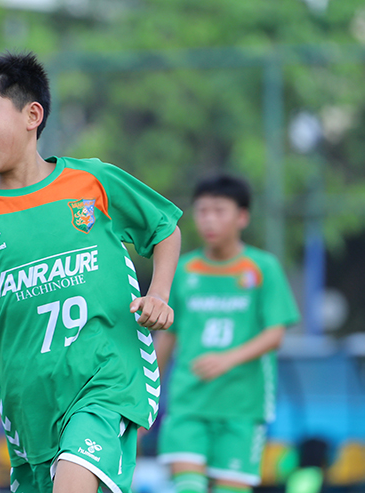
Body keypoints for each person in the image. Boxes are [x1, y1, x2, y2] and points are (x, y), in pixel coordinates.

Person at [0, 52, 182, 493]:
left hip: (106, 380)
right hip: (28, 401)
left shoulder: (92, 182)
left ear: (32, 115)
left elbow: (164, 229)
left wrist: (159, 293)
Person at [154, 175, 300, 493]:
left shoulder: (263, 267)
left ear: (242, 217)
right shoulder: (183, 270)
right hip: (188, 403)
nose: (209, 219)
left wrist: (227, 359)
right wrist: (143, 395)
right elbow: (167, 336)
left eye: (219, 210)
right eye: (202, 211)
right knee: (188, 488)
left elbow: (275, 334)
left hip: (242, 408)